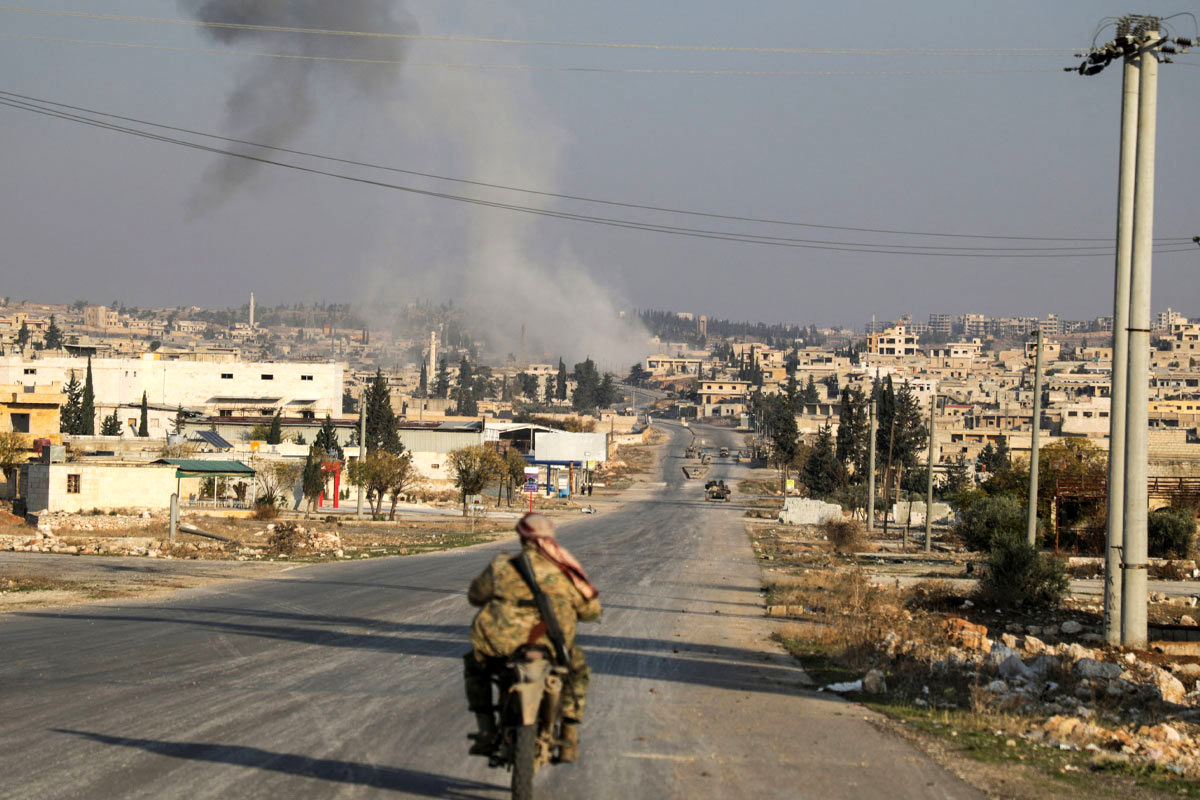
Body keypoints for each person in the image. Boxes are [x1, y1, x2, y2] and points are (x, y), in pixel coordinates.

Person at [463, 512, 601, 763]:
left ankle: (485, 728)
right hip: (551, 646)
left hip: (500, 645)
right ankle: (569, 738)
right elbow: (590, 611)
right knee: (577, 672)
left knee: (475, 666)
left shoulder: (502, 567)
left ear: (522, 538)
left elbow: (475, 595)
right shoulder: (564, 571)